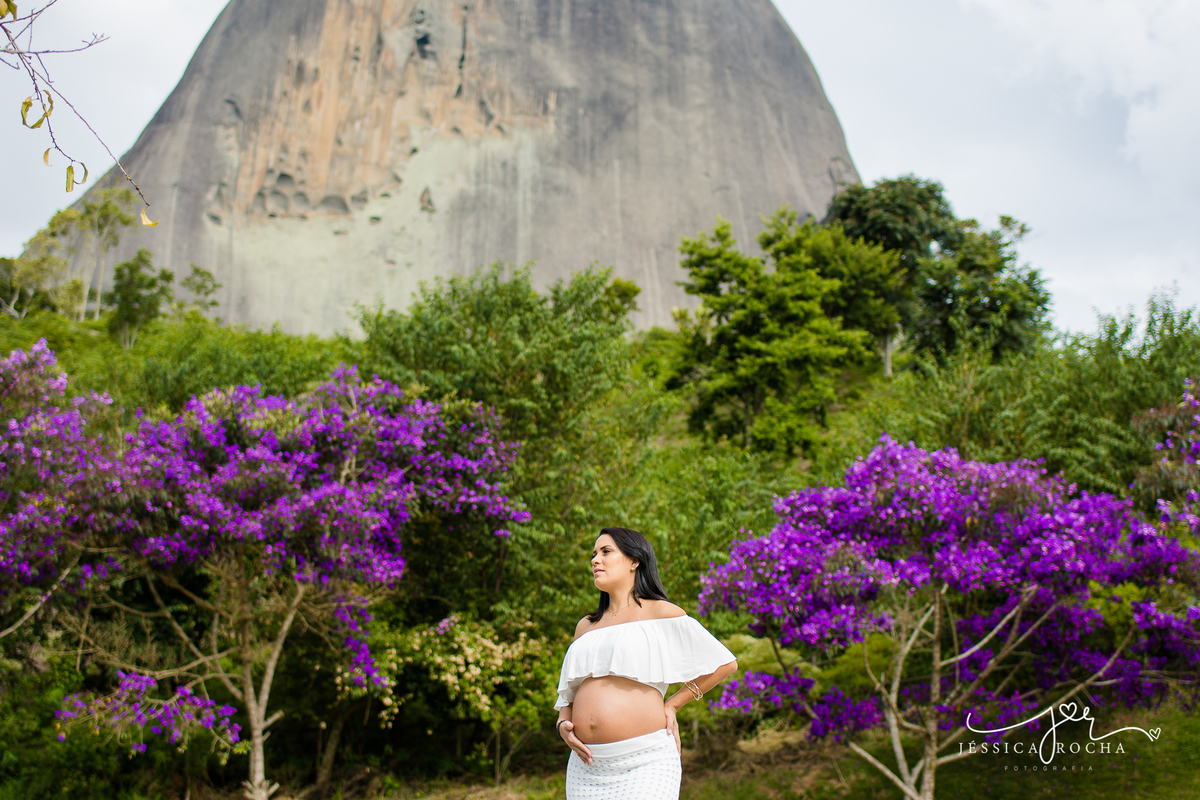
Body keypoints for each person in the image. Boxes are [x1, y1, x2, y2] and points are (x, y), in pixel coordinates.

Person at [554, 527, 738, 799]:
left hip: (645, 760)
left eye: (606, 552)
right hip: (587, 765)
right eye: (593, 554)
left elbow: (724, 664)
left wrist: (673, 704)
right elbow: (569, 692)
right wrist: (562, 725)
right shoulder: (586, 626)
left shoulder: (660, 613)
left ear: (634, 561)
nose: (595, 560)